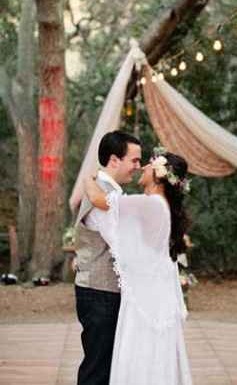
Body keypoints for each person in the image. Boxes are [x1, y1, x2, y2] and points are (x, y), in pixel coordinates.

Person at [84, 147, 193, 385]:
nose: (142, 166)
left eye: (149, 164)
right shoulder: (160, 206)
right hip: (155, 294)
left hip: (146, 299)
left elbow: (97, 200)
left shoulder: (151, 204)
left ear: (158, 175)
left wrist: (88, 177)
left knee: (141, 351)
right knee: (154, 353)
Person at [74, 130, 142, 385]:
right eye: (134, 160)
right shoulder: (101, 193)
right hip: (99, 291)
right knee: (98, 369)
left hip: (106, 291)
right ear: (114, 160)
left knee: (108, 365)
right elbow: (121, 243)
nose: (137, 167)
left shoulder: (106, 192)